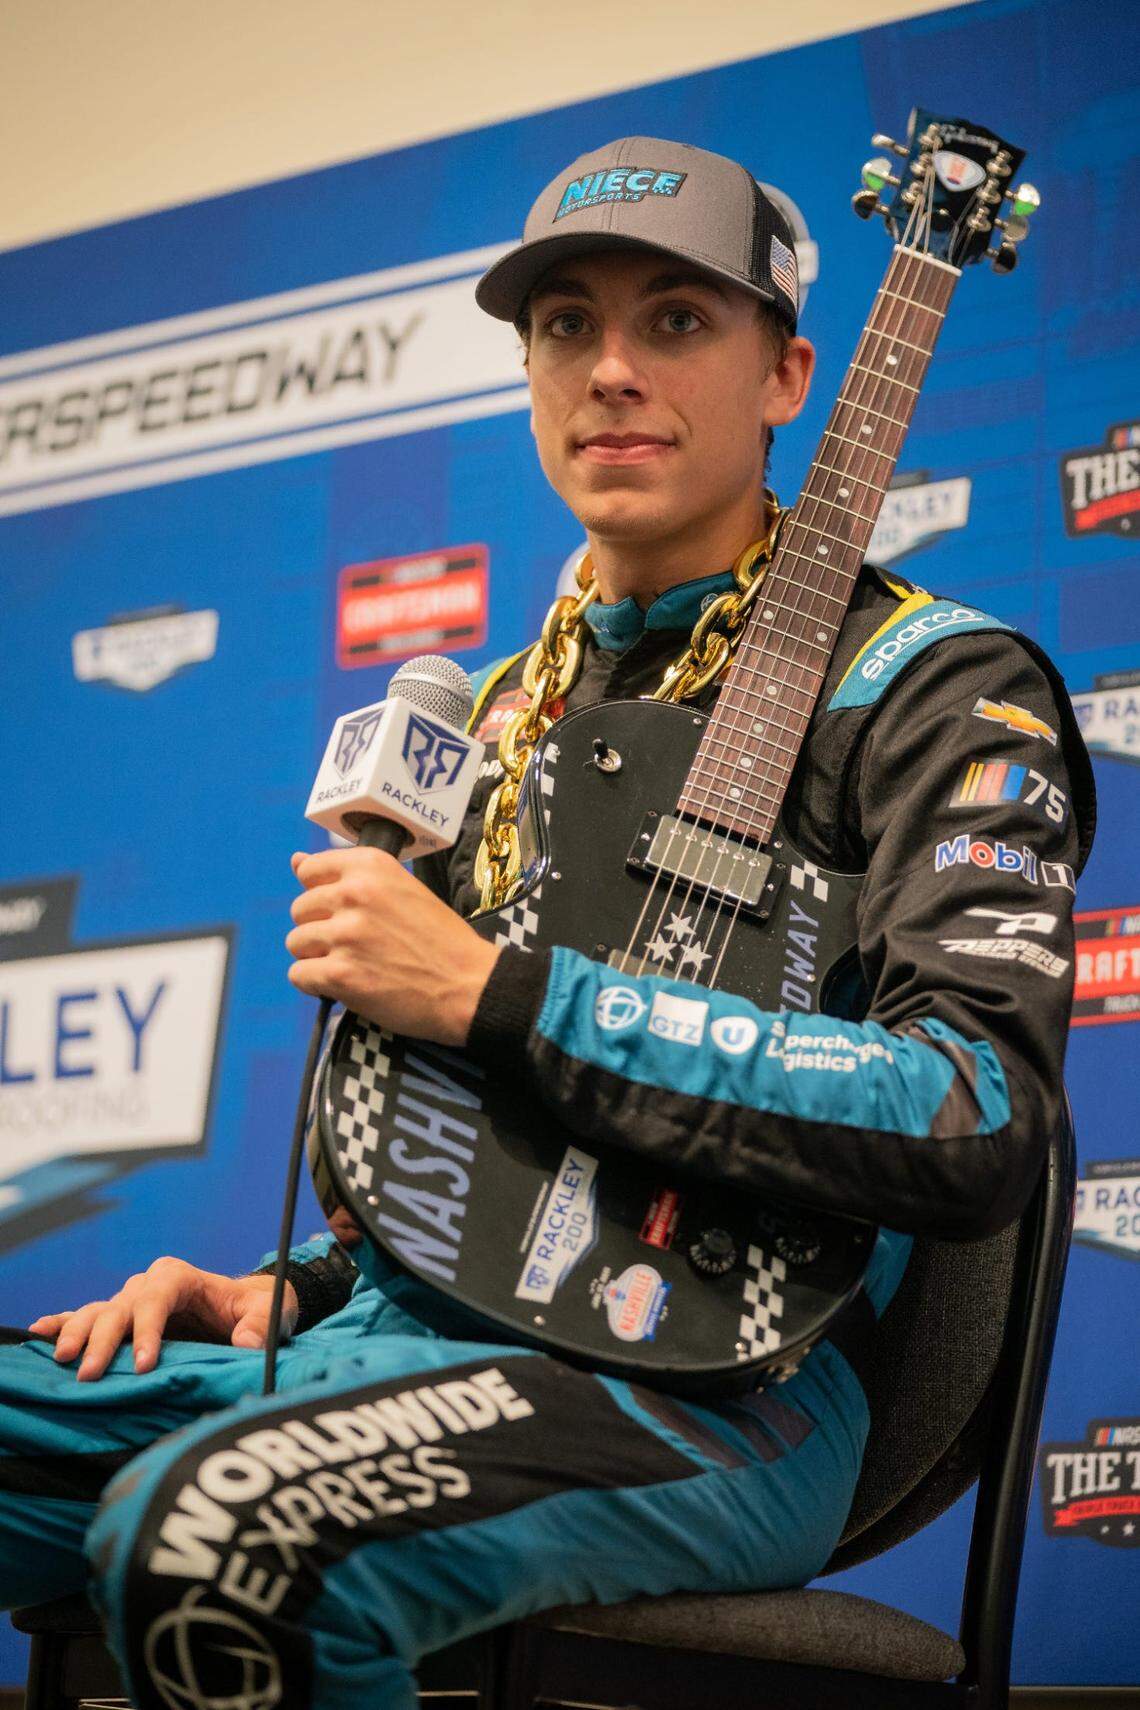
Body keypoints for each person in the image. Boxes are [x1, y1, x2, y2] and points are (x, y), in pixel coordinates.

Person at [1, 137, 1093, 1710]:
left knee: (228, 1542)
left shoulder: (935, 690)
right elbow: (504, 1143)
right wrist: (293, 1288)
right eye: (565, 325)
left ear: (790, 374)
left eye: (677, 322)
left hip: (720, 1391)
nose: (611, 371)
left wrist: (505, 993)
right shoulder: (497, 708)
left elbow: (974, 1110)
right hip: (388, 1341)